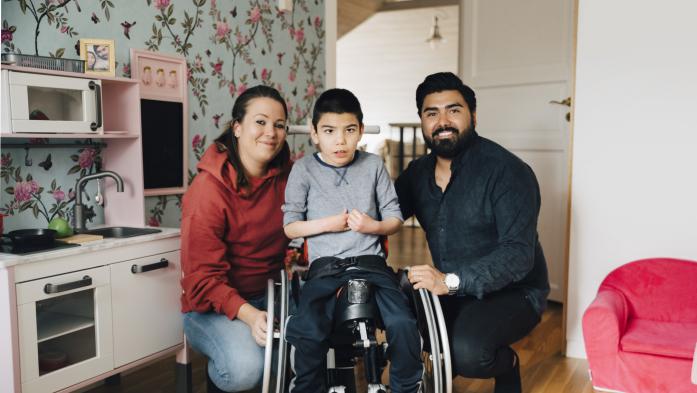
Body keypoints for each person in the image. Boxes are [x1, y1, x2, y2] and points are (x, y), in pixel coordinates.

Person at [396, 72, 550, 393]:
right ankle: (439, 367)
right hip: (452, 288)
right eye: (431, 113)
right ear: (423, 121)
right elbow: (382, 216)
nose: (443, 121)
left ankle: (504, 365)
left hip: (514, 291)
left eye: (454, 110)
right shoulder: (417, 174)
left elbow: (518, 256)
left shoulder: (508, 171)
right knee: (390, 306)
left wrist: (449, 282)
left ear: (473, 116)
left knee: (469, 352)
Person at [283, 89, 423, 393]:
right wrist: (328, 225)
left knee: (402, 322)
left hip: (371, 265)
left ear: (360, 130)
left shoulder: (372, 166)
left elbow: (395, 219)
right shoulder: (303, 169)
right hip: (325, 269)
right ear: (315, 133)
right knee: (308, 329)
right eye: (329, 131)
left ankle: (405, 386)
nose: (340, 141)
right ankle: (309, 388)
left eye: (349, 130)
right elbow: (290, 228)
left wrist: (373, 226)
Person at [180, 85, 292, 392]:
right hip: (210, 306)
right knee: (245, 369)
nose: (271, 132)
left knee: (303, 352)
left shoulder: (291, 177)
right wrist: (251, 316)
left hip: (271, 295)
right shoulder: (208, 190)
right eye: (260, 121)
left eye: (279, 125)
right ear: (237, 127)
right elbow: (202, 279)